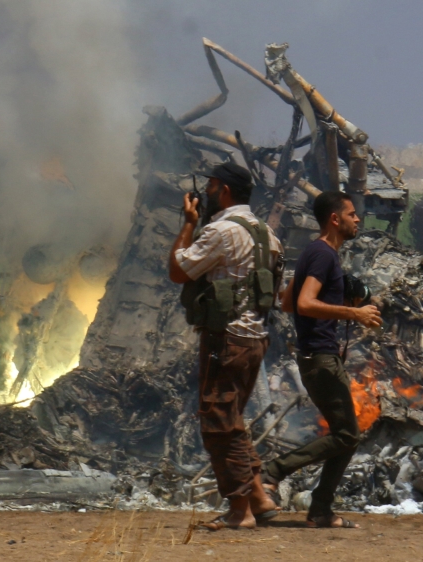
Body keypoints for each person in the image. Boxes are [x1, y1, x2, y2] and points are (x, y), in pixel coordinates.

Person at [169, 162, 284, 530]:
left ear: (227, 192)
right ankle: (260, 499)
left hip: (226, 340)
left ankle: (240, 511)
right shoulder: (268, 234)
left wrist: (189, 222)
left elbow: (178, 270)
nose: (207, 193)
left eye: (213, 186)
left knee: (217, 423)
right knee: (231, 419)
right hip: (255, 341)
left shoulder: (219, 232)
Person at [262, 191, 382, 529]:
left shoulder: (314, 253)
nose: (358, 219)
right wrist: (353, 312)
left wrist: (336, 295)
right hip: (321, 358)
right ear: (335, 218)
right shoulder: (324, 255)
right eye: (352, 214)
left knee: (347, 433)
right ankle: (275, 470)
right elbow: (304, 304)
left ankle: (321, 510)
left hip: (316, 357)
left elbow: (286, 302)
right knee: (347, 436)